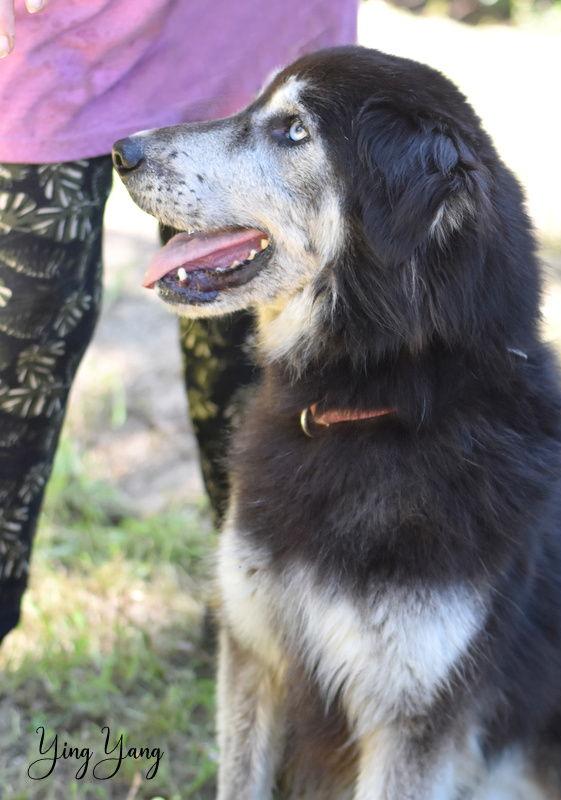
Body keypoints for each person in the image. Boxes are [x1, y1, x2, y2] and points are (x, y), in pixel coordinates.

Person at [0, 0, 359, 643]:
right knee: (25, 326)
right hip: (52, 25)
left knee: (245, 333)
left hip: (243, 21)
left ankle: (258, 622)